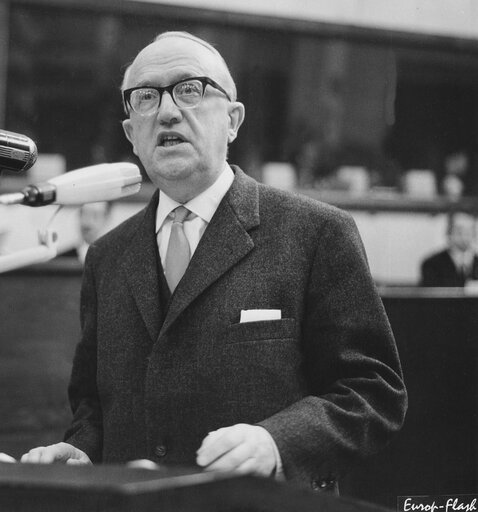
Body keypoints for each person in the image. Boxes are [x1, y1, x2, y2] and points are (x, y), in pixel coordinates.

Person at [21, 31, 407, 493]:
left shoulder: (316, 233)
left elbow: (373, 391)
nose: (166, 111)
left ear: (233, 120)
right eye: (145, 97)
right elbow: (94, 405)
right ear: (131, 135)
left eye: (190, 89)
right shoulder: (107, 256)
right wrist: (82, 450)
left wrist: (277, 442)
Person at [420, 211, 478, 287]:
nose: (465, 236)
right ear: (448, 232)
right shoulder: (432, 264)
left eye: (470, 230)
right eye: (459, 231)